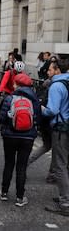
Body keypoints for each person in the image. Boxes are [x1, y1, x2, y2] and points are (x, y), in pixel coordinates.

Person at [0, 73, 40, 207]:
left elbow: (2, 117)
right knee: (21, 167)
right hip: (27, 137)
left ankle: (4, 192)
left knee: (9, 163)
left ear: (17, 84)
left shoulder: (9, 99)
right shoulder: (34, 100)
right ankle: (20, 197)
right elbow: (38, 119)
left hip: (10, 136)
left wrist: (5, 129)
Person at [42, 59, 69, 216]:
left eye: (50, 69)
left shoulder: (57, 86)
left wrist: (41, 108)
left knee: (60, 165)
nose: (47, 71)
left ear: (58, 70)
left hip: (61, 129)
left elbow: (52, 110)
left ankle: (65, 203)